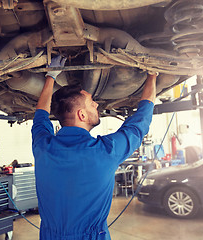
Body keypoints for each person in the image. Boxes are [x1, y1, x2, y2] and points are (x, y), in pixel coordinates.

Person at [32, 55, 157, 240]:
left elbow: (41, 114)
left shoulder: (43, 147)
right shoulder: (105, 151)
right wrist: (152, 75)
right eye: (92, 103)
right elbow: (140, 122)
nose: (96, 104)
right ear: (81, 115)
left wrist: (51, 75)